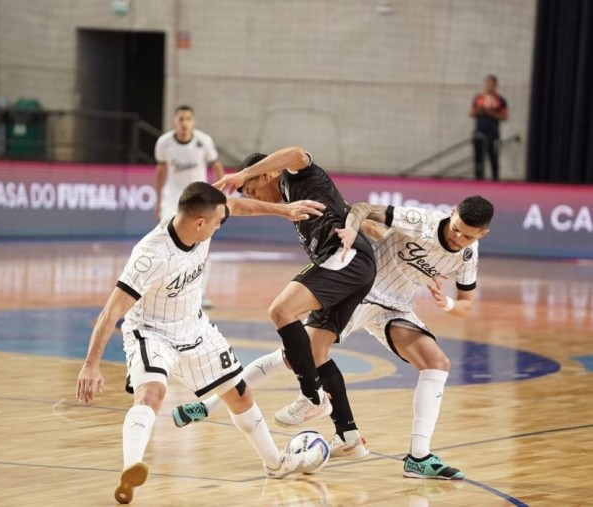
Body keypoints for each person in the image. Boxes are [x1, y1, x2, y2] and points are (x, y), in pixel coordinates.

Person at [173, 195, 495, 481]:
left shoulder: (468, 256)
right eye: (455, 228)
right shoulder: (420, 221)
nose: (457, 238)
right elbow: (362, 208)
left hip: (396, 308)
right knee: (294, 354)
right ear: (451, 213)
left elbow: (466, 304)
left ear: (482, 234)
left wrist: (448, 304)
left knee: (437, 363)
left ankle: (418, 457)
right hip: (361, 291)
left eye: (467, 236)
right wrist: (357, 227)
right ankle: (213, 403)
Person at [75, 182, 328, 504]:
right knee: (152, 393)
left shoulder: (201, 221)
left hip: (194, 329)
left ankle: (276, 464)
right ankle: (132, 467)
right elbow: (111, 312)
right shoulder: (151, 255)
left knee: (239, 395)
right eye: (218, 221)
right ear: (199, 223)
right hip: (151, 332)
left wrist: (283, 210)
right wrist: (90, 365)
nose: (222, 224)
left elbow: (238, 207)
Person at [213, 147, 377, 457]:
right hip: (351, 268)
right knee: (315, 352)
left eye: (254, 189)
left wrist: (242, 174)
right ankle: (349, 436)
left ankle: (312, 396)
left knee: (281, 310)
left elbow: (296, 152)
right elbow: (241, 207)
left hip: (347, 259)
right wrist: (227, 198)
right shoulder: (288, 204)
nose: (255, 196)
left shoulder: (298, 177)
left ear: (267, 174)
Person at [154, 105, 224, 309]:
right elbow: (160, 170)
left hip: (199, 200)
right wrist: (158, 200)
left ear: (193, 122)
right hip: (172, 200)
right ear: (175, 121)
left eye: (188, 119)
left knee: (201, 244)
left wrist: (222, 196)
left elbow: (217, 166)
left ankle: (199, 294)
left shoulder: (204, 142)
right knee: (167, 242)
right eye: (180, 119)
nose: (184, 123)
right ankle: (167, 288)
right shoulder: (164, 143)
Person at [469, 75, 508, 181]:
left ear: (495, 85)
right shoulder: (479, 98)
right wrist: (481, 110)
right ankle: (478, 180)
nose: (489, 86)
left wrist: (491, 113)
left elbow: (504, 116)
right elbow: (471, 113)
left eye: (491, 83)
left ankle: (495, 180)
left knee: (493, 158)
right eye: (487, 83)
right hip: (480, 132)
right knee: (478, 159)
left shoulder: (500, 100)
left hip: (493, 133)